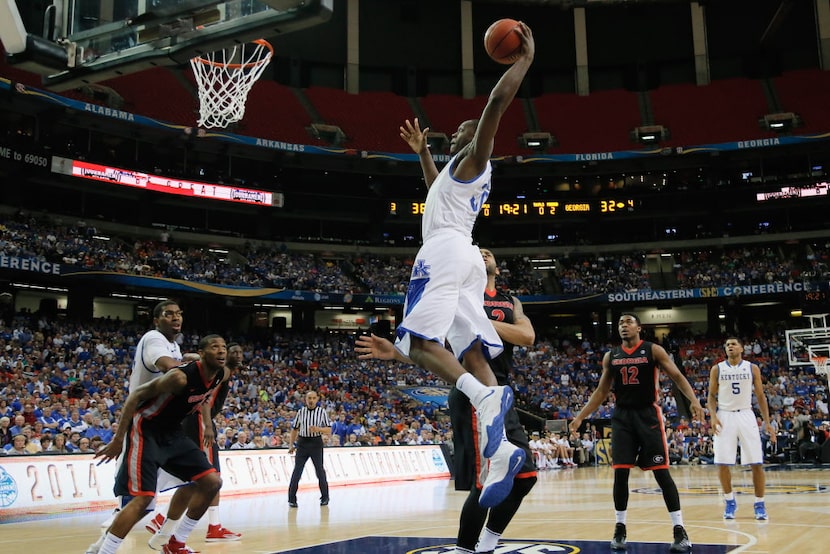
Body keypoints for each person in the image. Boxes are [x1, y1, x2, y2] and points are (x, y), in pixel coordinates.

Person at [387, 22, 534, 509]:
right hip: (466, 255)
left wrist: (522, 63)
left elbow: (493, 108)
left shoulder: (477, 158)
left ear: (479, 141)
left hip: (445, 252)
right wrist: (424, 153)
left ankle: (485, 398)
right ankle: (502, 450)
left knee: (415, 343)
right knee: (471, 348)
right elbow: (436, 190)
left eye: (466, 130)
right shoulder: (455, 176)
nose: (460, 130)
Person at [356, 247, 538, 553]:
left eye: (488, 252)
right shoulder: (456, 293)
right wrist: (398, 354)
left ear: (497, 266)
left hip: (502, 390)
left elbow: (527, 336)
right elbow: (436, 347)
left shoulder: (510, 301)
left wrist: (476, 321)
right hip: (472, 391)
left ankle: (487, 545)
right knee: (485, 479)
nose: (482, 254)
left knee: (525, 477)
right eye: (476, 250)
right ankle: (466, 549)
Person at [569, 313, 704, 553]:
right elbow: (601, 392)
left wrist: (693, 400)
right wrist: (580, 417)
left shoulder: (653, 350)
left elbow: (677, 376)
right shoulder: (611, 356)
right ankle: (620, 527)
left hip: (648, 416)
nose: (624, 326)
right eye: (620, 323)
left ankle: (679, 530)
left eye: (628, 322)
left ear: (639, 328)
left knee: (662, 473)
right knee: (620, 474)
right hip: (622, 417)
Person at [91, 335, 227, 554]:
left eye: (224, 347)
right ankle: (102, 551)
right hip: (146, 429)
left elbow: (202, 400)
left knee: (211, 481)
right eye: (215, 347)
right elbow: (136, 395)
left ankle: (175, 542)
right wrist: (118, 439)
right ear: (202, 353)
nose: (222, 351)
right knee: (144, 499)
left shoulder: (219, 375)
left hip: (173, 432)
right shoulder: (180, 378)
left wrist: (208, 424)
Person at [87, 300, 194, 554]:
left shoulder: (174, 345)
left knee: (198, 478)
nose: (176, 318)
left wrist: (192, 358)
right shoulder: (154, 338)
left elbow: (178, 361)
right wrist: (200, 366)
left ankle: (166, 532)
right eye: (169, 314)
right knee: (140, 500)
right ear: (156, 320)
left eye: (179, 313)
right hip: (142, 425)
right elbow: (170, 368)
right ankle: (102, 547)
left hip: (163, 427)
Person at [145, 343, 243, 548]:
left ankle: (168, 524)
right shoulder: (217, 372)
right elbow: (204, 399)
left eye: (237, 352)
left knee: (201, 479)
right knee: (207, 478)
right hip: (198, 422)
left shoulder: (224, 372)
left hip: (199, 422)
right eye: (232, 351)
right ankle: (179, 528)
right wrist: (208, 424)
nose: (234, 354)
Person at [707, 336, 775, 521]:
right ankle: (729, 501)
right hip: (725, 415)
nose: (730, 346)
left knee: (756, 462)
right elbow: (711, 396)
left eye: (733, 344)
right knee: (722, 462)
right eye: (727, 344)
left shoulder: (752, 368)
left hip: (746, 413)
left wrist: (767, 422)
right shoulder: (717, 369)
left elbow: (760, 395)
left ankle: (759, 504)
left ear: (742, 348)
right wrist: (713, 416)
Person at [287, 390, 332, 507]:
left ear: (317, 399)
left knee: (320, 471)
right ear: (305, 400)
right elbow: (295, 429)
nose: (311, 400)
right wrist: (291, 445)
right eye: (309, 398)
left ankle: (325, 497)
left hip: (316, 442)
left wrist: (318, 429)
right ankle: (292, 499)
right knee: (297, 471)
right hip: (302, 443)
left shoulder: (321, 412)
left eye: (313, 398)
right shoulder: (301, 412)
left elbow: (329, 430)